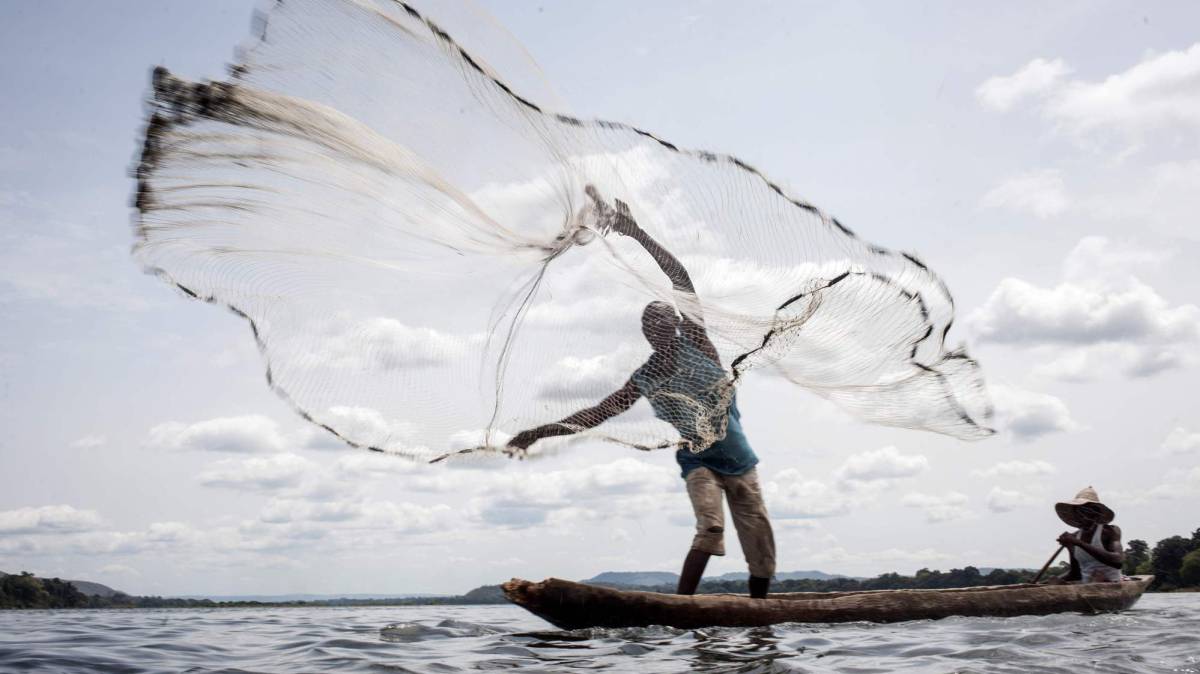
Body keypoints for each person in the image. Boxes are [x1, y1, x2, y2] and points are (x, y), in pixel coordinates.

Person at [506, 186, 776, 599]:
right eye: (654, 324)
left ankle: (760, 613)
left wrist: (636, 233)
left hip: (741, 463)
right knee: (712, 528)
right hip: (698, 461)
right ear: (648, 334)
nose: (663, 326)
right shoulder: (646, 377)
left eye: (668, 319)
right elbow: (595, 414)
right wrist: (538, 432)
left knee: (760, 547)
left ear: (677, 325)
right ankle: (683, 604)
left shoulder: (700, 344)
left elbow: (679, 277)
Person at [1045, 486, 1124, 584]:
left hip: (1111, 583)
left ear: (1096, 513)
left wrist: (1079, 543)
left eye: (1085, 511)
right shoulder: (1075, 537)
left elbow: (1117, 562)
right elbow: (1076, 574)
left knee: (1098, 579)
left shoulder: (1110, 531)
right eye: (1077, 512)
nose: (1081, 516)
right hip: (1087, 585)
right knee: (1053, 581)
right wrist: (1045, 583)